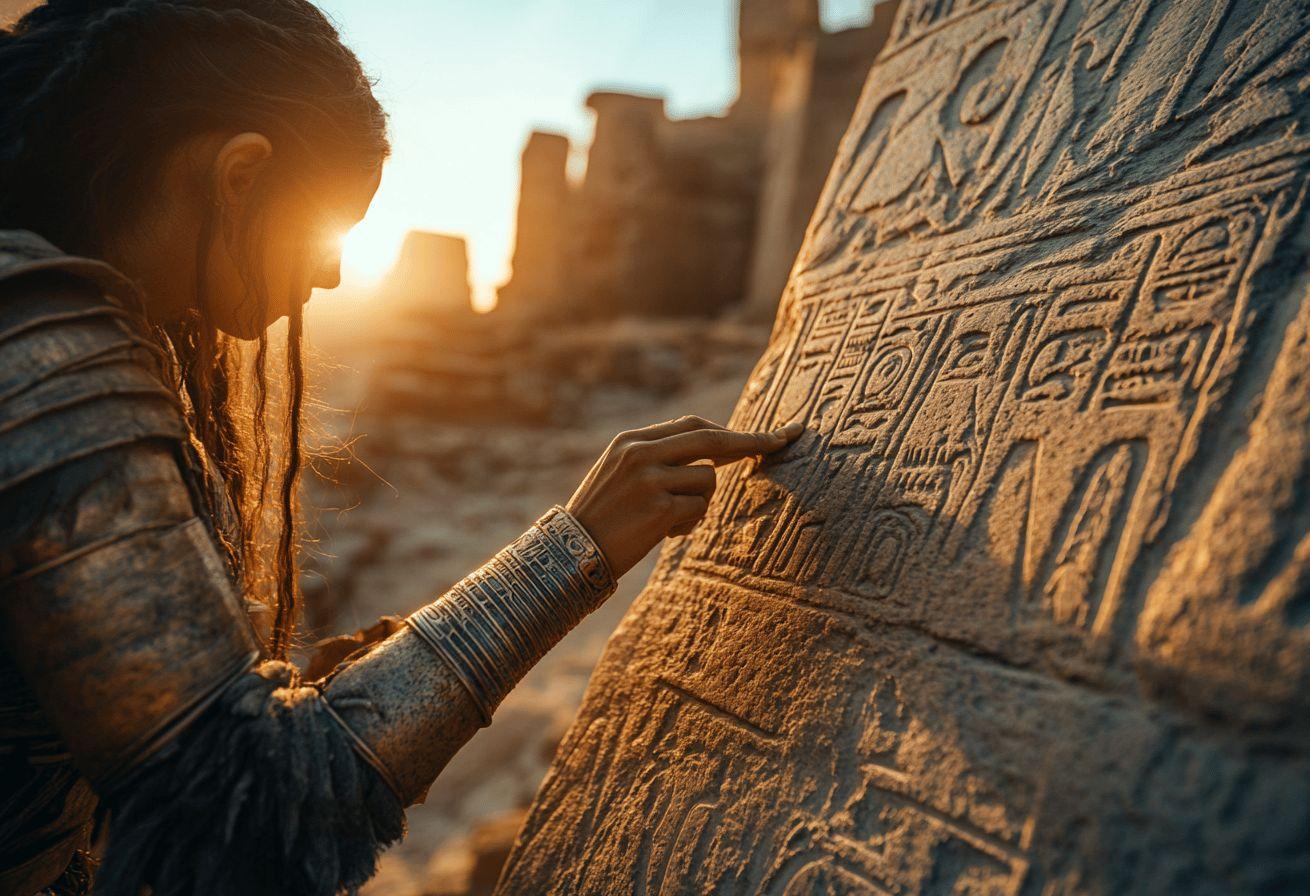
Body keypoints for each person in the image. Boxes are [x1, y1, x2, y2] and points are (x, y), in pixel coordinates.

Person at [0, 2, 803, 893]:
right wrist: (569, 554)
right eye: (325, 231)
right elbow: (247, 819)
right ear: (240, 174)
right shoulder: (35, 339)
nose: (331, 274)